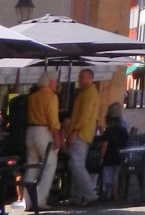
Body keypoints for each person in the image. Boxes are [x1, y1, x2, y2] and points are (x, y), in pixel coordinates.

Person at [23, 73, 62, 210]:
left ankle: (27, 201)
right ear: (50, 82)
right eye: (56, 81)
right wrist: (57, 138)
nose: (57, 84)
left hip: (30, 131)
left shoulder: (33, 96)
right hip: (42, 131)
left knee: (31, 166)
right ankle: (40, 200)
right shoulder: (51, 96)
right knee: (50, 164)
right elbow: (53, 120)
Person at [64, 67, 101, 206]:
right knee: (75, 165)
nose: (79, 79)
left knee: (76, 164)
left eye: (82, 77)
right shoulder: (85, 93)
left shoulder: (90, 93)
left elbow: (84, 115)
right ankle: (76, 196)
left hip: (81, 133)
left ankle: (90, 194)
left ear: (90, 78)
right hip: (81, 132)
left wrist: (75, 131)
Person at [98, 103, 129, 202]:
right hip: (120, 156)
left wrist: (101, 157)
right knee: (116, 175)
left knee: (108, 175)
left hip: (109, 157)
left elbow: (104, 145)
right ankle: (115, 194)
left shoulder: (108, 131)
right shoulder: (123, 130)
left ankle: (107, 192)